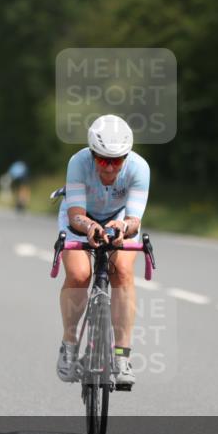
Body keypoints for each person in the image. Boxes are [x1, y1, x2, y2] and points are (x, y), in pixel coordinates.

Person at [56, 114, 150, 388]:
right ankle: (70, 343)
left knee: (121, 270)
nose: (109, 168)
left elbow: (134, 220)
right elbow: (75, 215)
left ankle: (121, 356)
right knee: (79, 274)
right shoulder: (78, 162)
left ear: (127, 156)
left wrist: (122, 226)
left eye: (117, 160)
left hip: (117, 217)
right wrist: (89, 228)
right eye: (103, 160)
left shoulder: (139, 168)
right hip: (80, 218)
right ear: (92, 154)